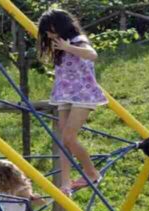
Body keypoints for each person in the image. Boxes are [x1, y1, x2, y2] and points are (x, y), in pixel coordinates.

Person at [37, 8, 108, 196]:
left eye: (51, 30)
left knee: (69, 136)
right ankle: (66, 182)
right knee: (64, 141)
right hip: (65, 94)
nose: (49, 34)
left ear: (61, 26)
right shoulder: (57, 44)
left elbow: (92, 55)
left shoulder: (78, 41)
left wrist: (68, 48)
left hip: (83, 94)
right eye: (47, 31)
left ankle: (91, 172)